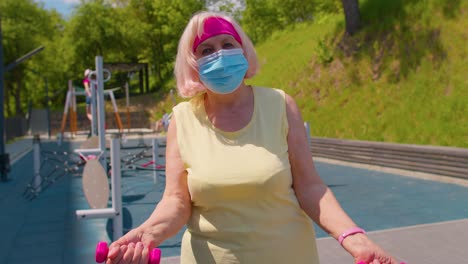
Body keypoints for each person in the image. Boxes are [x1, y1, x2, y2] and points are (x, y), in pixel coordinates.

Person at [105, 11, 399, 264]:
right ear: (193, 64)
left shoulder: (280, 105)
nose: (219, 54)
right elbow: (176, 200)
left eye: (227, 44)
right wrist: (147, 234)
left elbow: (311, 187)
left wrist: (355, 240)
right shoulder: (182, 119)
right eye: (206, 50)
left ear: (243, 51)